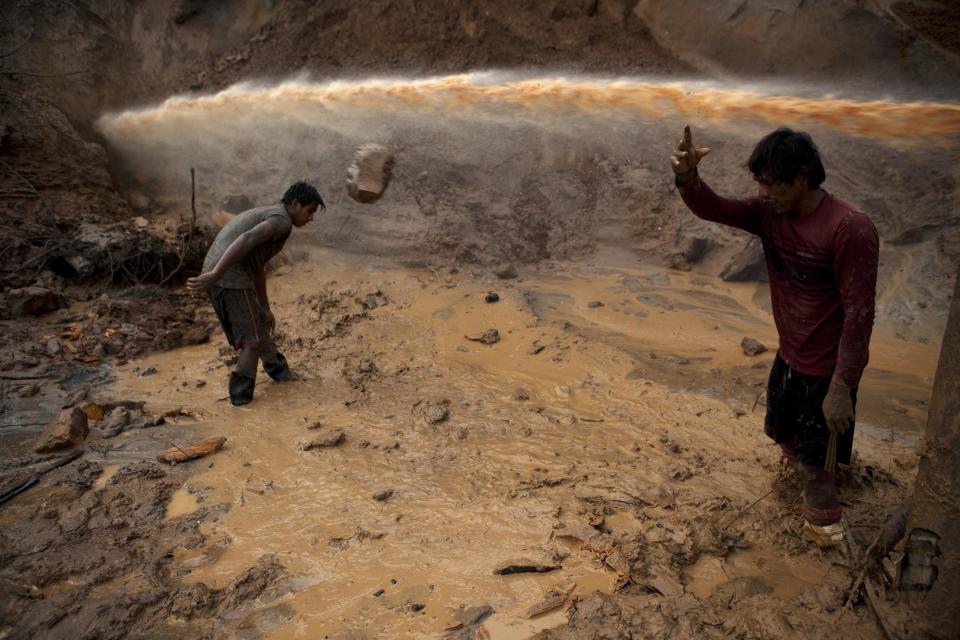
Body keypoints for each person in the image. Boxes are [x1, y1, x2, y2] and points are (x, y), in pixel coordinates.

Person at [671, 125, 879, 546]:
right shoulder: (770, 213)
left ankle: (826, 533)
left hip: (826, 368)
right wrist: (687, 177)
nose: (764, 194)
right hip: (789, 356)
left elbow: (860, 314)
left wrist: (842, 386)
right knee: (782, 436)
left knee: (816, 466)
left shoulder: (849, 228)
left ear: (802, 177)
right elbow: (715, 208)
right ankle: (805, 481)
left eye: (773, 184)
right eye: (760, 184)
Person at [187, 181, 325, 406]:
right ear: (295, 204)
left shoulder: (274, 215)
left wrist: (265, 308)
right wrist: (215, 274)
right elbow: (246, 238)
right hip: (229, 277)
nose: (311, 218)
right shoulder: (282, 221)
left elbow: (258, 266)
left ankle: (281, 374)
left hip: (227, 275)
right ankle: (241, 403)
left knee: (258, 325)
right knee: (251, 340)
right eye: (309, 211)